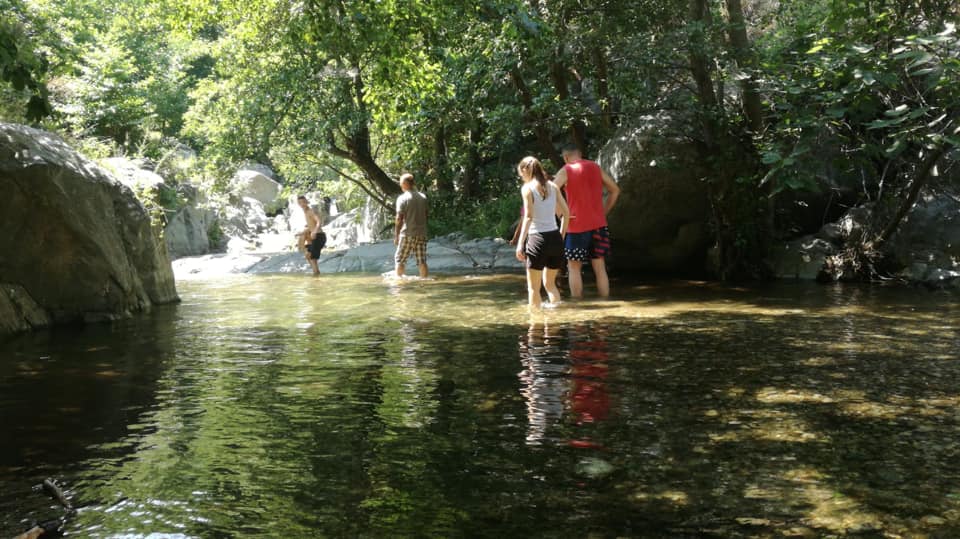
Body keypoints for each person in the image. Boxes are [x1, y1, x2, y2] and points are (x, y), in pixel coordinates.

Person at [552, 144, 620, 298]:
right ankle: (605, 302)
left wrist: (562, 215)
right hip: (599, 225)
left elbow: (550, 191)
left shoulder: (566, 170)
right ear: (580, 154)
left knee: (574, 268)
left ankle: (578, 305)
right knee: (600, 267)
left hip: (576, 227)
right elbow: (615, 190)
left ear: (565, 157)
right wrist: (604, 212)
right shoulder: (595, 167)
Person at [514, 156, 570, 308]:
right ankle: (556, 321)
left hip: (537, 239)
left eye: (521, 174)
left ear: (526, 170)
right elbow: (566, 213)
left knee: (533, 288)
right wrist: (561, 236)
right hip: (555, 238)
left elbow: (528, 217)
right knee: (550, 285)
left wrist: (520, 244)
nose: (521, 177)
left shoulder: (527, 189)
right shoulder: (552, 186)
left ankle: (535, 327)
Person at [394, 173, 429, 278]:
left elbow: (399, 218)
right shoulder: (423, 197)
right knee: (421, 260)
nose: (400, 186)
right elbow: (426, 215)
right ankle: (424, 283)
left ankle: (399, 285)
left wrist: (396, 235)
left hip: (407, 234)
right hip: (421, 234)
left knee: (400, 260)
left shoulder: (402, 198)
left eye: (401, 183)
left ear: (405, 184)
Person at [297, 195, 326, 275]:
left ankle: (316, 274)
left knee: (312, 258)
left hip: (319, 236)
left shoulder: (310, 211)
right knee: (308, 255)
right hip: (314, 236)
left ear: (307, 202)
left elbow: (319, 221)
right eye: (300, 203)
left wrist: (314, 231)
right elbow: (311, 226)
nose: (302, 204)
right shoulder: (305, 212)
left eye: (303, 202)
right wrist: (303, 232)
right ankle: (316, 274)